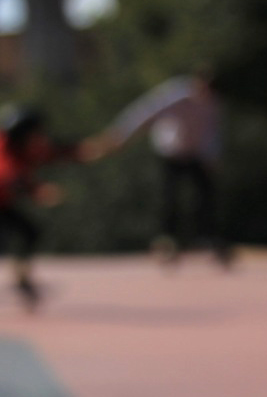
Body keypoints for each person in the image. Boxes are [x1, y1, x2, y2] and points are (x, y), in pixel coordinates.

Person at [0, 104, 95, 312]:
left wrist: (82, 150)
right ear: (23, 134)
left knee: (28, 232)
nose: (40, 137)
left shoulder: (21, 145)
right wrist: (37, 191)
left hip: (0, 200)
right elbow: (6, 175)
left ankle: (21, 279)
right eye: (36, 133)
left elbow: (51, 151)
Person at [95, 69, 228, 265]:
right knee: (171, 196)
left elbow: (212, 132)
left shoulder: (213, 102)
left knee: (205, 194)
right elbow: (146, 111)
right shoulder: (176, 94)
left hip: (196, 154)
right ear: (197, 82)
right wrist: (121, 134)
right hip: (172, 151)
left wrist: (213, 158)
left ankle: (207, 238)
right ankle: (167, 240)